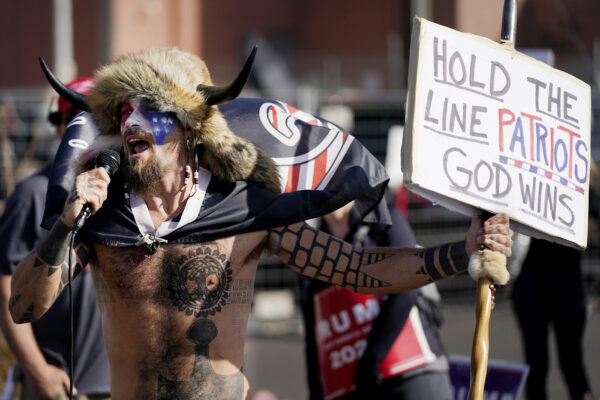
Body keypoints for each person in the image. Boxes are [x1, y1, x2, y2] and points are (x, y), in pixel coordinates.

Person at [9, 47, 513, 400]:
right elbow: (25, 305)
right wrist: (66, 224)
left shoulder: (242, 210)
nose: (132, 123)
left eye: (152, 110)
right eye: (122, 112)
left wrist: (462, 253)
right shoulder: (104, 217)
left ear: (190, 129)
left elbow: (358, 270)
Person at [0, 78, 111, 399]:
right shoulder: (32, 195)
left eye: (99, 117)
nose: (89, 127)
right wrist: (38, 370)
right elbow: (5, 287)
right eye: (77, 117)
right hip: (60, 387)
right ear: (60, 127)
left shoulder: (124, 196)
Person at [298, 201, 453, 400]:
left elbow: (408, 287)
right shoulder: (309, 248)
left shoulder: (385, 219)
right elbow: (314, 334)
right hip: (356, 384)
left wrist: (372, 358)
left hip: (412, 370)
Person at [511, 161, 598, 400]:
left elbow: (584, 235)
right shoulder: (538, 187)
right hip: (534, 285)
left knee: (572, 363)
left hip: (566, 287)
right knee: (536, 364)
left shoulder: (586, 196)